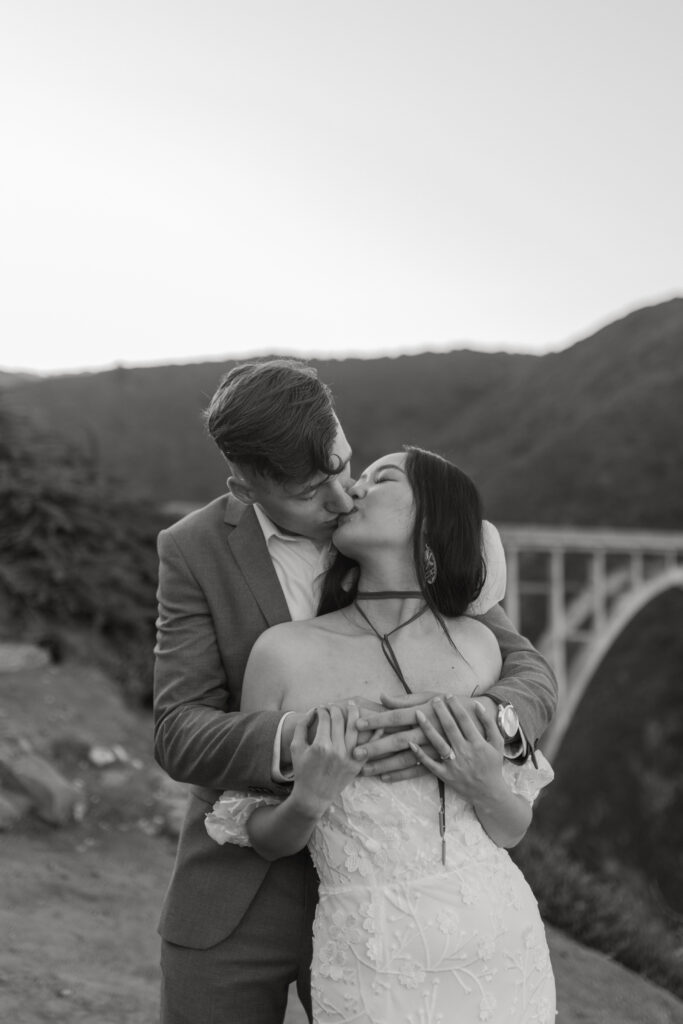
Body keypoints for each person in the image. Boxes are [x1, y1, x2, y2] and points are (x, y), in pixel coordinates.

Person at [153, 359, 558, 1024]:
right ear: (246, 487)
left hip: (417, 918)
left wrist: (476, 722)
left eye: (344, 465)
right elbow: (177, 729)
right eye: (314, 490)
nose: (342, 497)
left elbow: (529, 672)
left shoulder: (408, 545)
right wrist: (309, 738)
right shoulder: (193, 550)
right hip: (239, 897)